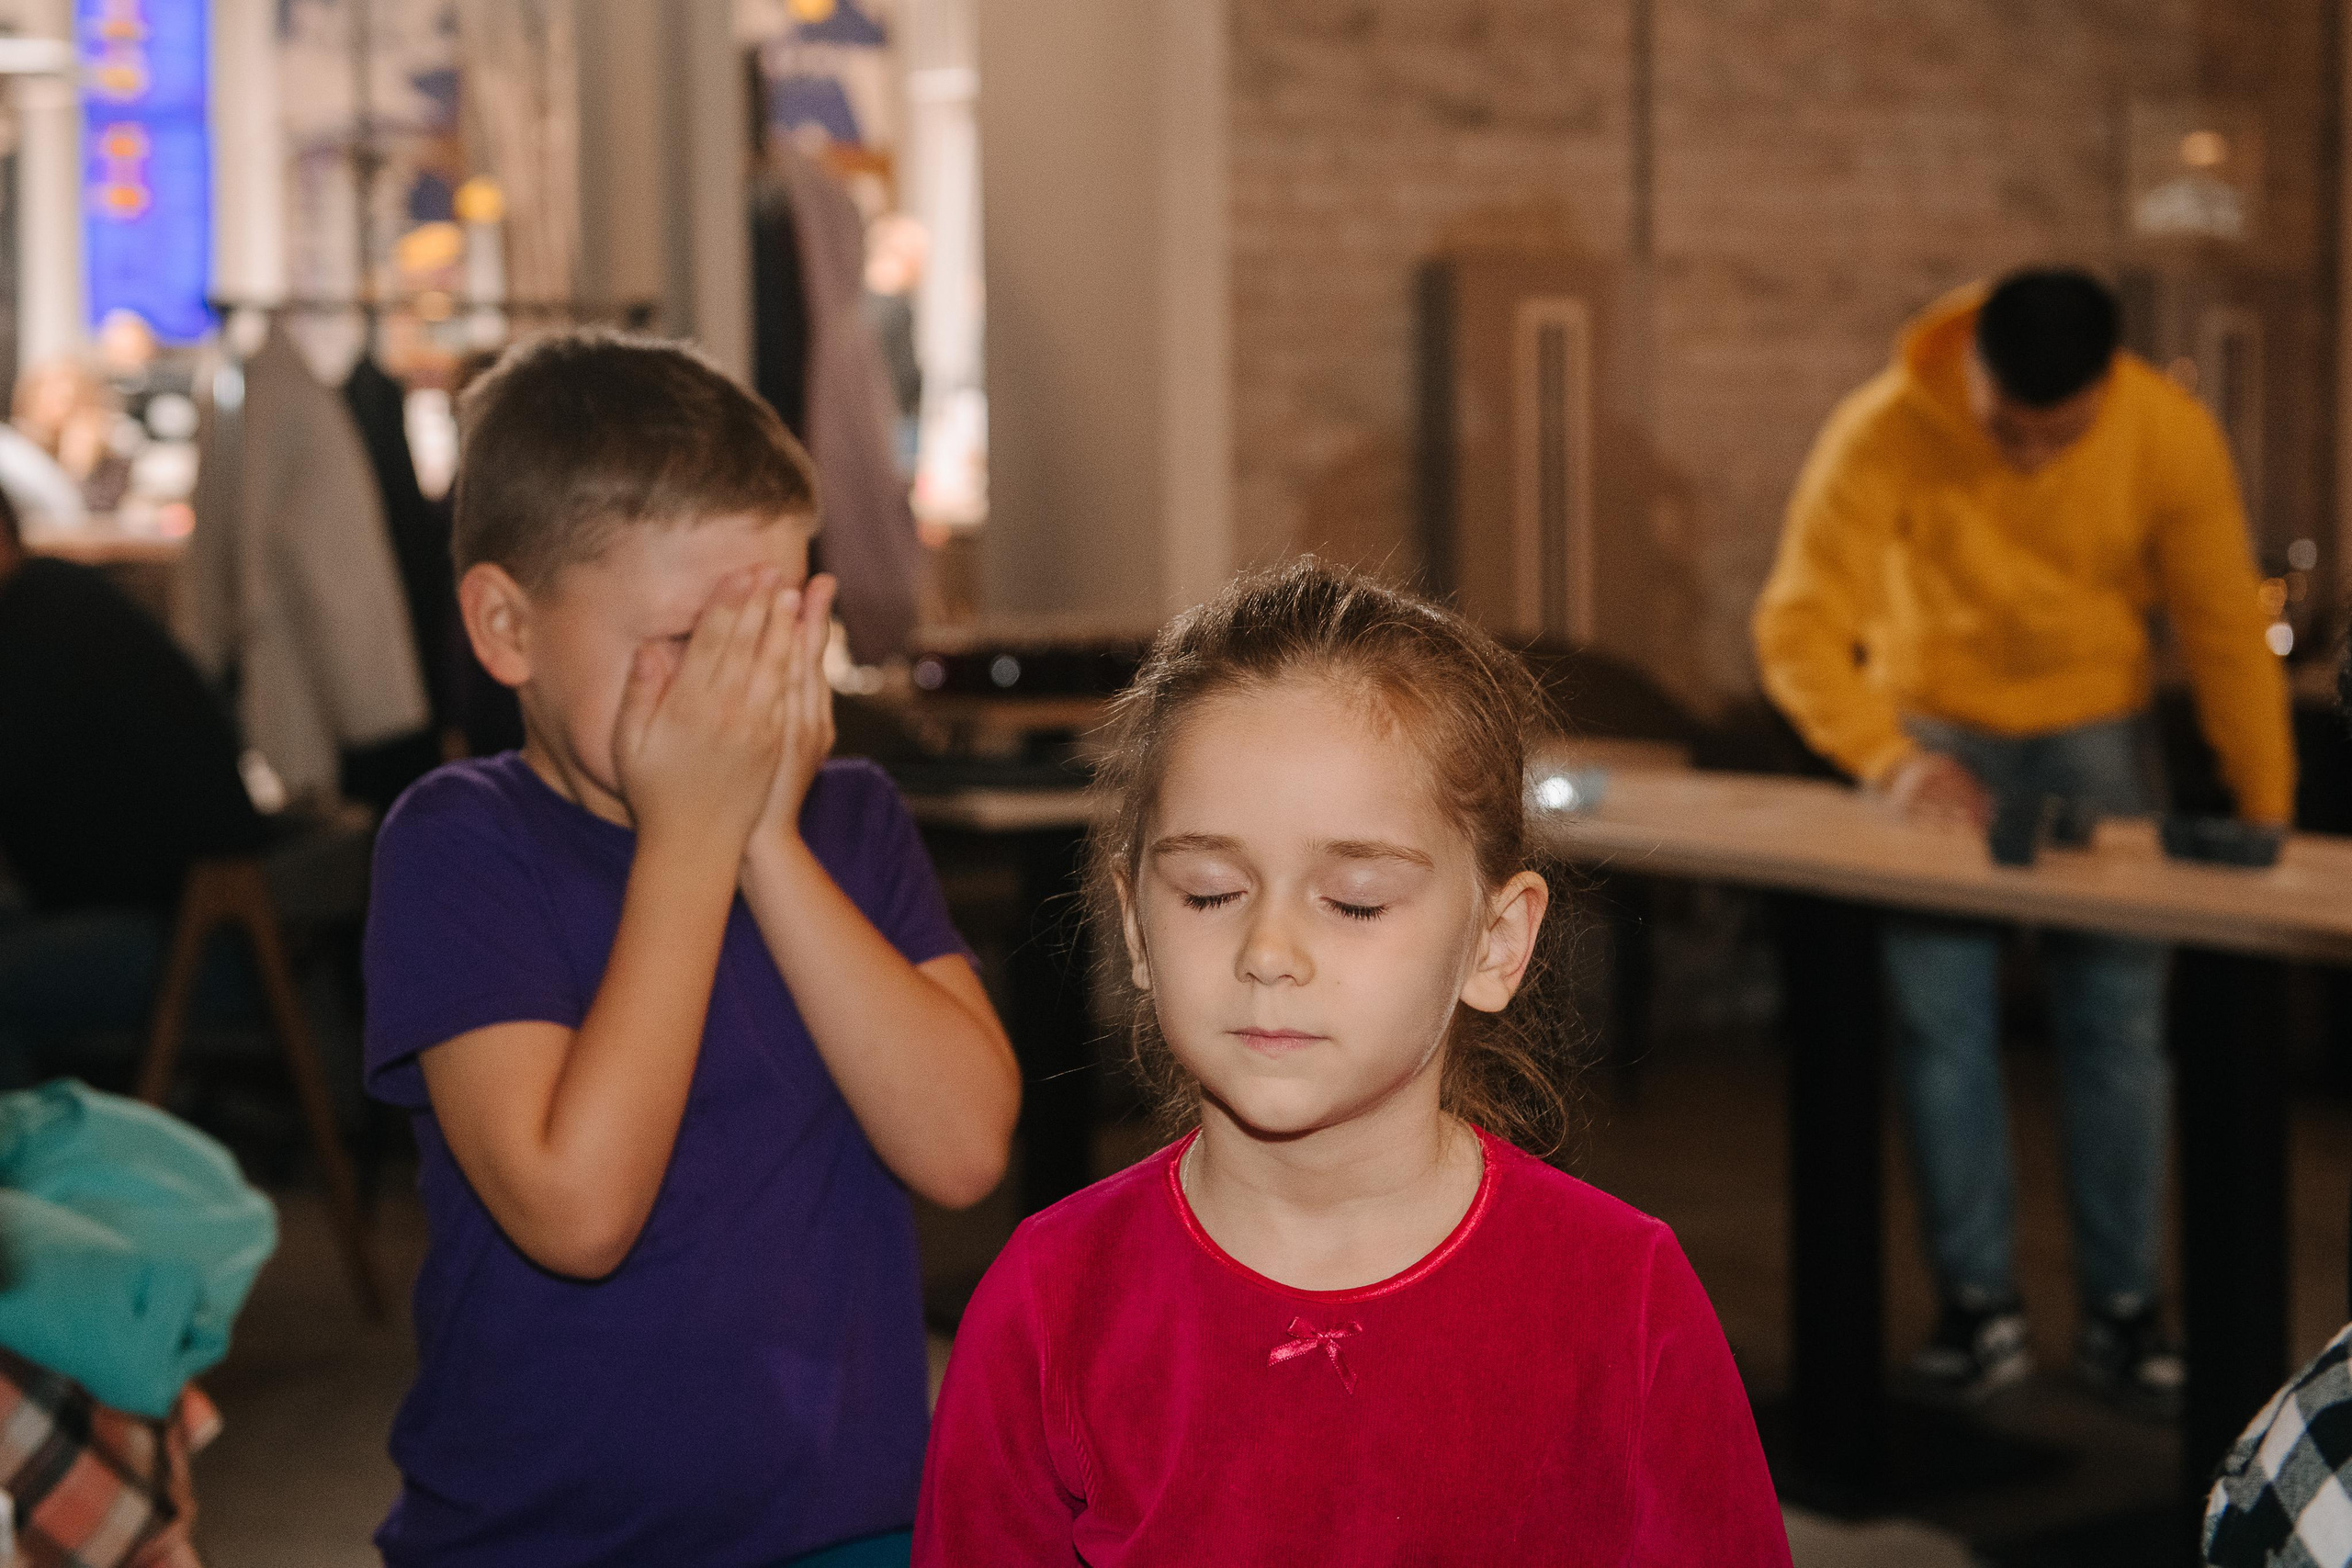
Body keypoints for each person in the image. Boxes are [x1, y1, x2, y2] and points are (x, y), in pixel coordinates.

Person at [914, 558, 1791, 1563]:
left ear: (1496, 943)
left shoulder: (1622, 1295)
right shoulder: (1049, 1302)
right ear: (1137, 929)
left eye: (1355, 901)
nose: (1268, 953)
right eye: (1208, 892)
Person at [361, 332, 1021, 1567]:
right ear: (508, 628)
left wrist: (764, 836)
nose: (736, 690)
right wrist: (692, 836)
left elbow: (963, 1145)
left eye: (769, 633)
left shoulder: (850, 818)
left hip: (849, 1522)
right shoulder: (459, 844)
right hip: (534, 1537)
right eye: (683, 642)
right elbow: (578, 1209)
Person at [1753, 268, 2294, 1414]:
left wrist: (2264, 804)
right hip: (1935, 736)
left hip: (2095, 732)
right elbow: (1799, 623)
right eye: (2012, 431)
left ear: (2108, 387)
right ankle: (1978, 1309)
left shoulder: (2166, 430)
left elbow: (2217, 624)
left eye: (2065, 435)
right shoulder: (1883, 427)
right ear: (1973, 375)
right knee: (1942, 1029)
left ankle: (2122, 1317)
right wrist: (1889, 759)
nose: (2036, 457)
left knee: (2119, 1034)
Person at [0, 484, 270, 1086]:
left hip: (197, 943)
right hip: (181, 920)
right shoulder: (52, 602)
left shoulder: (36, 625)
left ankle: (36, 1169)